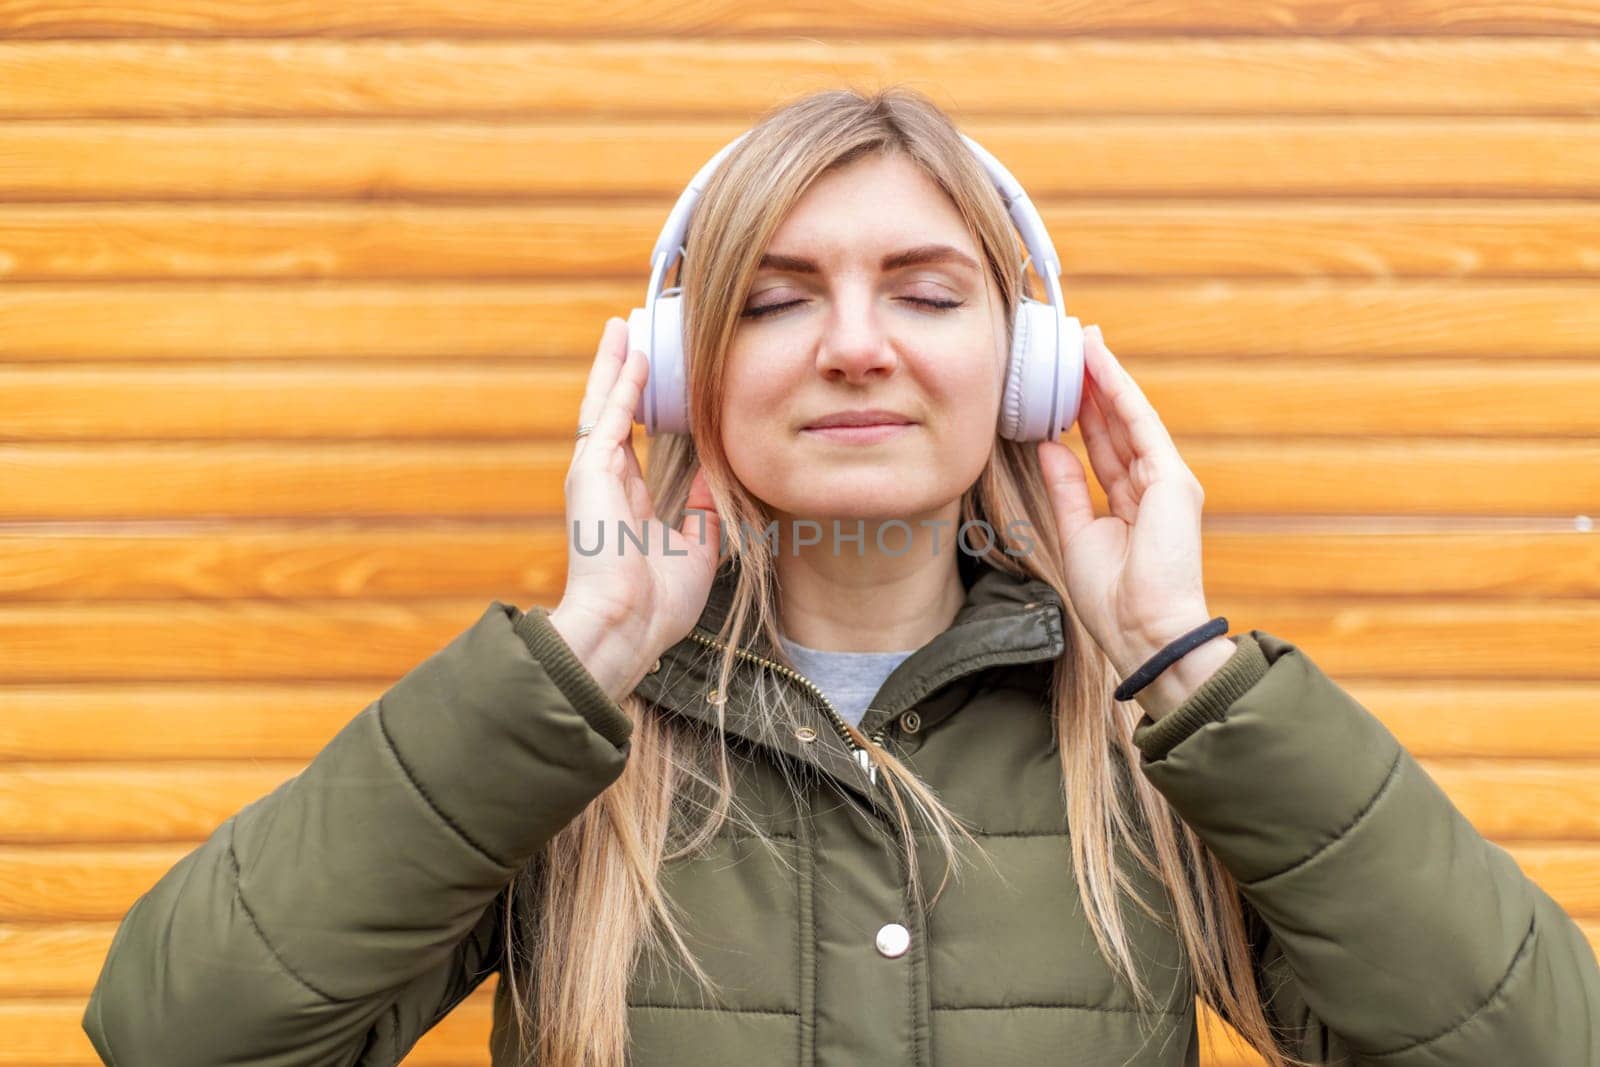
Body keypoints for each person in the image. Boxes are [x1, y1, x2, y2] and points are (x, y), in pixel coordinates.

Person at [83, 87, 1599, 1067]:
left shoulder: (1154, 748)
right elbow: (173, 1035)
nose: (858, 345)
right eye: (778, 300)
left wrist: (1184, 660)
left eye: (928, 294)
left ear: (1029, 371)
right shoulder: (557, 748)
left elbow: (1536, 1046)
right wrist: (585, 646)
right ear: (680, 377)